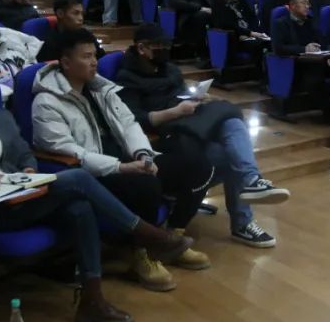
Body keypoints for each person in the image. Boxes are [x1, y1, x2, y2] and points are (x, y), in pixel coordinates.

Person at [0, 58, 193, 322]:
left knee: (79, 207)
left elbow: (23, 152)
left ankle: (92, 300)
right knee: (78, 179)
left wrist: (29, 170)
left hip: (22, 196)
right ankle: (149, 235)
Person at [31, 29, 216, 272]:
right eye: (86, 57)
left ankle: (172, 238)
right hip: (96, 173)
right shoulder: (46, 102)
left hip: (129, 160)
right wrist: (121, 167)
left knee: (199, 165)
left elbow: (129, 124)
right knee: (146, 184)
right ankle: (143, 254)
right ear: (66, 62)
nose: (94, 62)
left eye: (94, 55)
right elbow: (70, 152)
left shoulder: (101, 89)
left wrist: (143, 154)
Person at [115, 24, 289, 249]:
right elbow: (135, 120)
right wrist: (175, 112)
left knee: (231, 119)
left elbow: (178, 92)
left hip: (189, 121)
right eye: (160, 45)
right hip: (166, 134)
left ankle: (251, 181)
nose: (166, 49)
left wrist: (195, 97)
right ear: (142, 48)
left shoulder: (169, 69)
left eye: (167, 44)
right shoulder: (126, 78)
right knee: (230, 154)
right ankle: (243, 218)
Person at [212, 0, 269, 71]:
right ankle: (258, 73)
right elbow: (227, 25)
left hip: (249, 33)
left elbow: (252, 18)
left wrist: (256, 31)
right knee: (258, 45)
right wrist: (249, 33)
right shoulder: (218, 4)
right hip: (234, 37)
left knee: (268, 42)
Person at [165, 0, 212, 66]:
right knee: (202, 16)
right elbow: (174, 2)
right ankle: (202, 55)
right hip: (185, 17)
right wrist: (199, 8)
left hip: (206, 12)